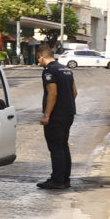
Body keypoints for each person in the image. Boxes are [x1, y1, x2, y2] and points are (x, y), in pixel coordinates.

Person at [37, 41, 76, 190]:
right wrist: (66, 105)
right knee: (63, 146)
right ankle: (65, 179)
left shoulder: (49, 71)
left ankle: (57, 180)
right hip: (68, 113)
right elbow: (74, 92)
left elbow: (52, 93)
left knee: (56, 147)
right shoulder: (66, 69)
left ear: (41, 56)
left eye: (38, 59)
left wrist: (47, 114)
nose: (38, 62)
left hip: (56, 116)